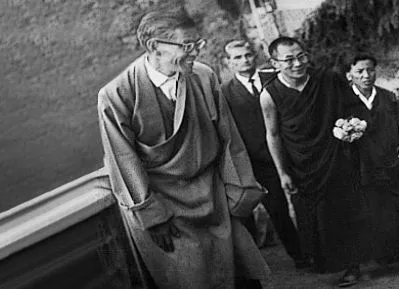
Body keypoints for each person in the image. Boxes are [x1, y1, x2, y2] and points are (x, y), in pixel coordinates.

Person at [97, 6, 268, 289]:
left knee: (243, 276)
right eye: (187, 45)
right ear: (155, 47)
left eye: (197, 43)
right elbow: (122, 161)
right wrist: (151, 216)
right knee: (191, 279)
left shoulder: (203, 76)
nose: (196, 51)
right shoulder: (116, 95)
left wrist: (239, 194)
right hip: (165, 210)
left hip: (213, 196)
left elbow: (229, 141)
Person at [259, 36, 370, 287]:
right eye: (288, 60)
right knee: (316, 216)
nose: (297, 64)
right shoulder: (270, 94)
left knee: (345, 209)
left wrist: (351, 127)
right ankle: (330, 262)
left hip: (336, 155)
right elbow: (273, 134)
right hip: (302, 163)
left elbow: (353, 109)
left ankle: (354, 264)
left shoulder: (328, 79)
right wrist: (283, 173)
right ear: (274, 63)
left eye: (301, 56)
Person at [220, 40, 307, 268]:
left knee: (307, 202)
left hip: (293, 152)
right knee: (278, 210)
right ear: (228, 63)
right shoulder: (224, 93)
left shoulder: (276, 76)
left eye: (247, 55)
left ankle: (319, 248)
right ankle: (299, 255)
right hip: (258, 162)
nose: (244, 60)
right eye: (237, 58)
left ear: (255, 56)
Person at [346, 55, 399, 265]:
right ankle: (377, 252)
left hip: (387, 160)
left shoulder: (387, 97)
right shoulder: (344, 100)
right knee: (370, 206)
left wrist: (392, 152)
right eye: (360, 71)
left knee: (392, 203)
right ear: (350, 74)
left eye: (370, 70)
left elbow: (394, 128)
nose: (366, 76)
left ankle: (397, 248)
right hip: (360, 163)